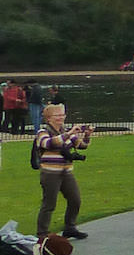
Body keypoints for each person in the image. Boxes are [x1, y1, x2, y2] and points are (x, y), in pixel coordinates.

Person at [31, 103, 91, 240]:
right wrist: (68, 133)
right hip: (50, 173)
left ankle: (70, 227)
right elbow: (48, 143)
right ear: (48, 118)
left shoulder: (65, 131)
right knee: (49, 203)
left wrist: (87, 135)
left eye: (62, 114)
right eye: (57, 115)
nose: (61, 117)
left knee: (75, 200)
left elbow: (82, 146)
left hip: (66, 172)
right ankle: (42, 233)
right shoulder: (43, 132)